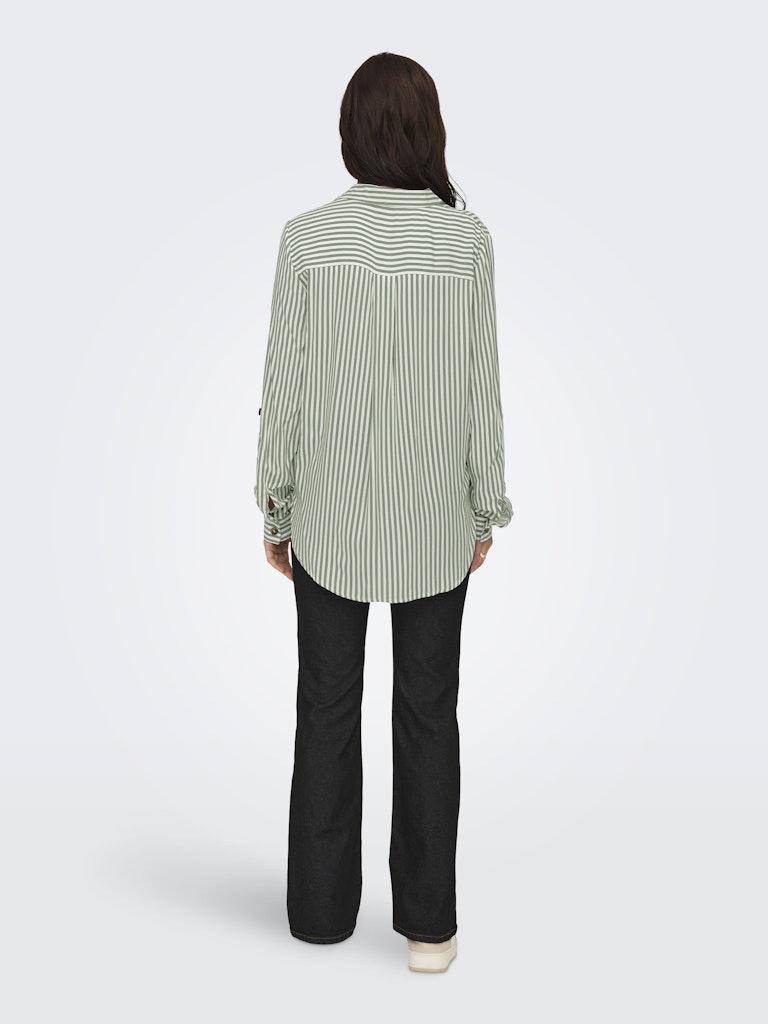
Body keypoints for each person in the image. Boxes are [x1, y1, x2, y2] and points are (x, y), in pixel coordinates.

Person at [253, 52, 514, 973]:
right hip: (436, 520)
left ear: (350, 135)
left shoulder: (307, 239)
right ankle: (429, 930)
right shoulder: (466, 241)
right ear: (429, 131)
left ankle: (321, 917)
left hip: (329, 516)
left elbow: (284, 388)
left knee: (325, 709)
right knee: (429, 716)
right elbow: (481, 389)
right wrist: (486, 506)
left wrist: (276, 506)